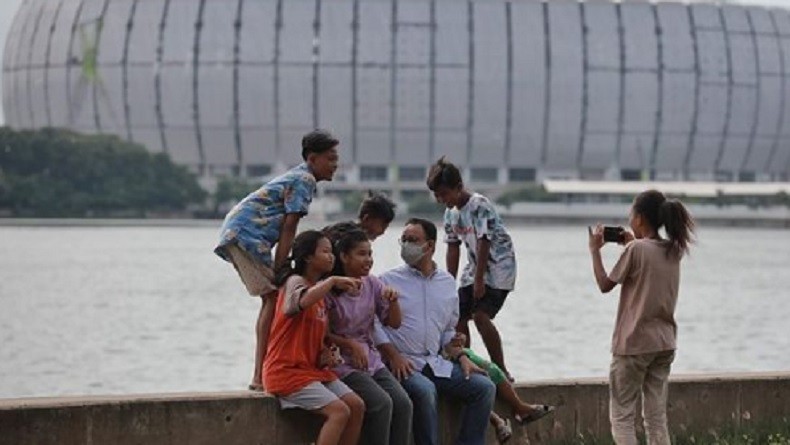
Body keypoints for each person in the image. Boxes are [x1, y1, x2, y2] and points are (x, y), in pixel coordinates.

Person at [214, 129, 340, 391]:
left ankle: (267, 370)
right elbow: (289, 226)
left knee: (274, 298)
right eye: (330, 158)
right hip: (247, 236)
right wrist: (283, 266)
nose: (335, 164)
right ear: (312, 158)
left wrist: (283, 266)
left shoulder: (301, 176)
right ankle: (260, 375)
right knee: (272, 299)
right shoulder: (305, 179)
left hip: (242, 233)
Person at [374, 218, 496, 445]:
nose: (406, 245)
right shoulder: (387, 280)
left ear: (429, 246)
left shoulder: (447, 283)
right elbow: (373, 324)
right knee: (425, 390)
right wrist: (393, 356)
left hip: (435, 363)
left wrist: (461, 355)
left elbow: (448, 330)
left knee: (484, 387)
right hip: (402, 364)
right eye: (403, 240)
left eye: (413, 240)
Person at [587, 190, 695, 445]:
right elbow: (648, 260)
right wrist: (632, 244)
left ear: (639, 218)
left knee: (622, 417)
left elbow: (604, 284)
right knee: (656, 419)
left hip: (634, 344)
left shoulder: (636, 249)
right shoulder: (674, 249)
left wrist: (595, 251)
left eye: (631, 214)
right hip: (664, 343)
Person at [263, 230, 365, 445]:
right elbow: (295, 305)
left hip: (312, 371)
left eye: (332, 252)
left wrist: (327, 353)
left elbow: (316, 338)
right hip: (286, 371)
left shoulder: (320, 296)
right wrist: (332, 281)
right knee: (339, 412)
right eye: (325, 251)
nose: (331, 257)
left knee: (356, 406)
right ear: (309, 257)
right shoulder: (295, 281)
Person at [426, 156, 517, 382]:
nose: (441, 199)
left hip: (498, 268)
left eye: (444, 194)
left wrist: (479, 281)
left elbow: (484, 241)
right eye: (437, 195)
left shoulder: (479, 205)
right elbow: (453, 246)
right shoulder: (451, 213)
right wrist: (449, 281)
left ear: (458, 187)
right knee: (458, 315)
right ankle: (468, 362)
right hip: (475, 266)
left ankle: (501, 370)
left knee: (480, 316)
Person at [325, 229, 413, 445]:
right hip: (341, 362)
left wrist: (393, 301)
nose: (368, 260)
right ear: (344, 257)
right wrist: (349, 344)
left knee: (403, 403)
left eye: (370, 254)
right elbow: (321, 333)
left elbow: (394, 323)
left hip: (370, 359)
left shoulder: (372, 284)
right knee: (381, 403)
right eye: (361, 254)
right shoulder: (329, 289)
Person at [445, 332, 555, 444]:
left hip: (453, 350)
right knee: (476, 381)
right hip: (441, 356)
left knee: (489, 371)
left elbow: (451, 331)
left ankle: (516, 409)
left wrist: (459, 339)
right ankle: (503, 417)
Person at [322, 191, 397, 242]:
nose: (382, 232)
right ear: (366, 218)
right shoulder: (348, 236)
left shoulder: (349, 231)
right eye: (382, 226)